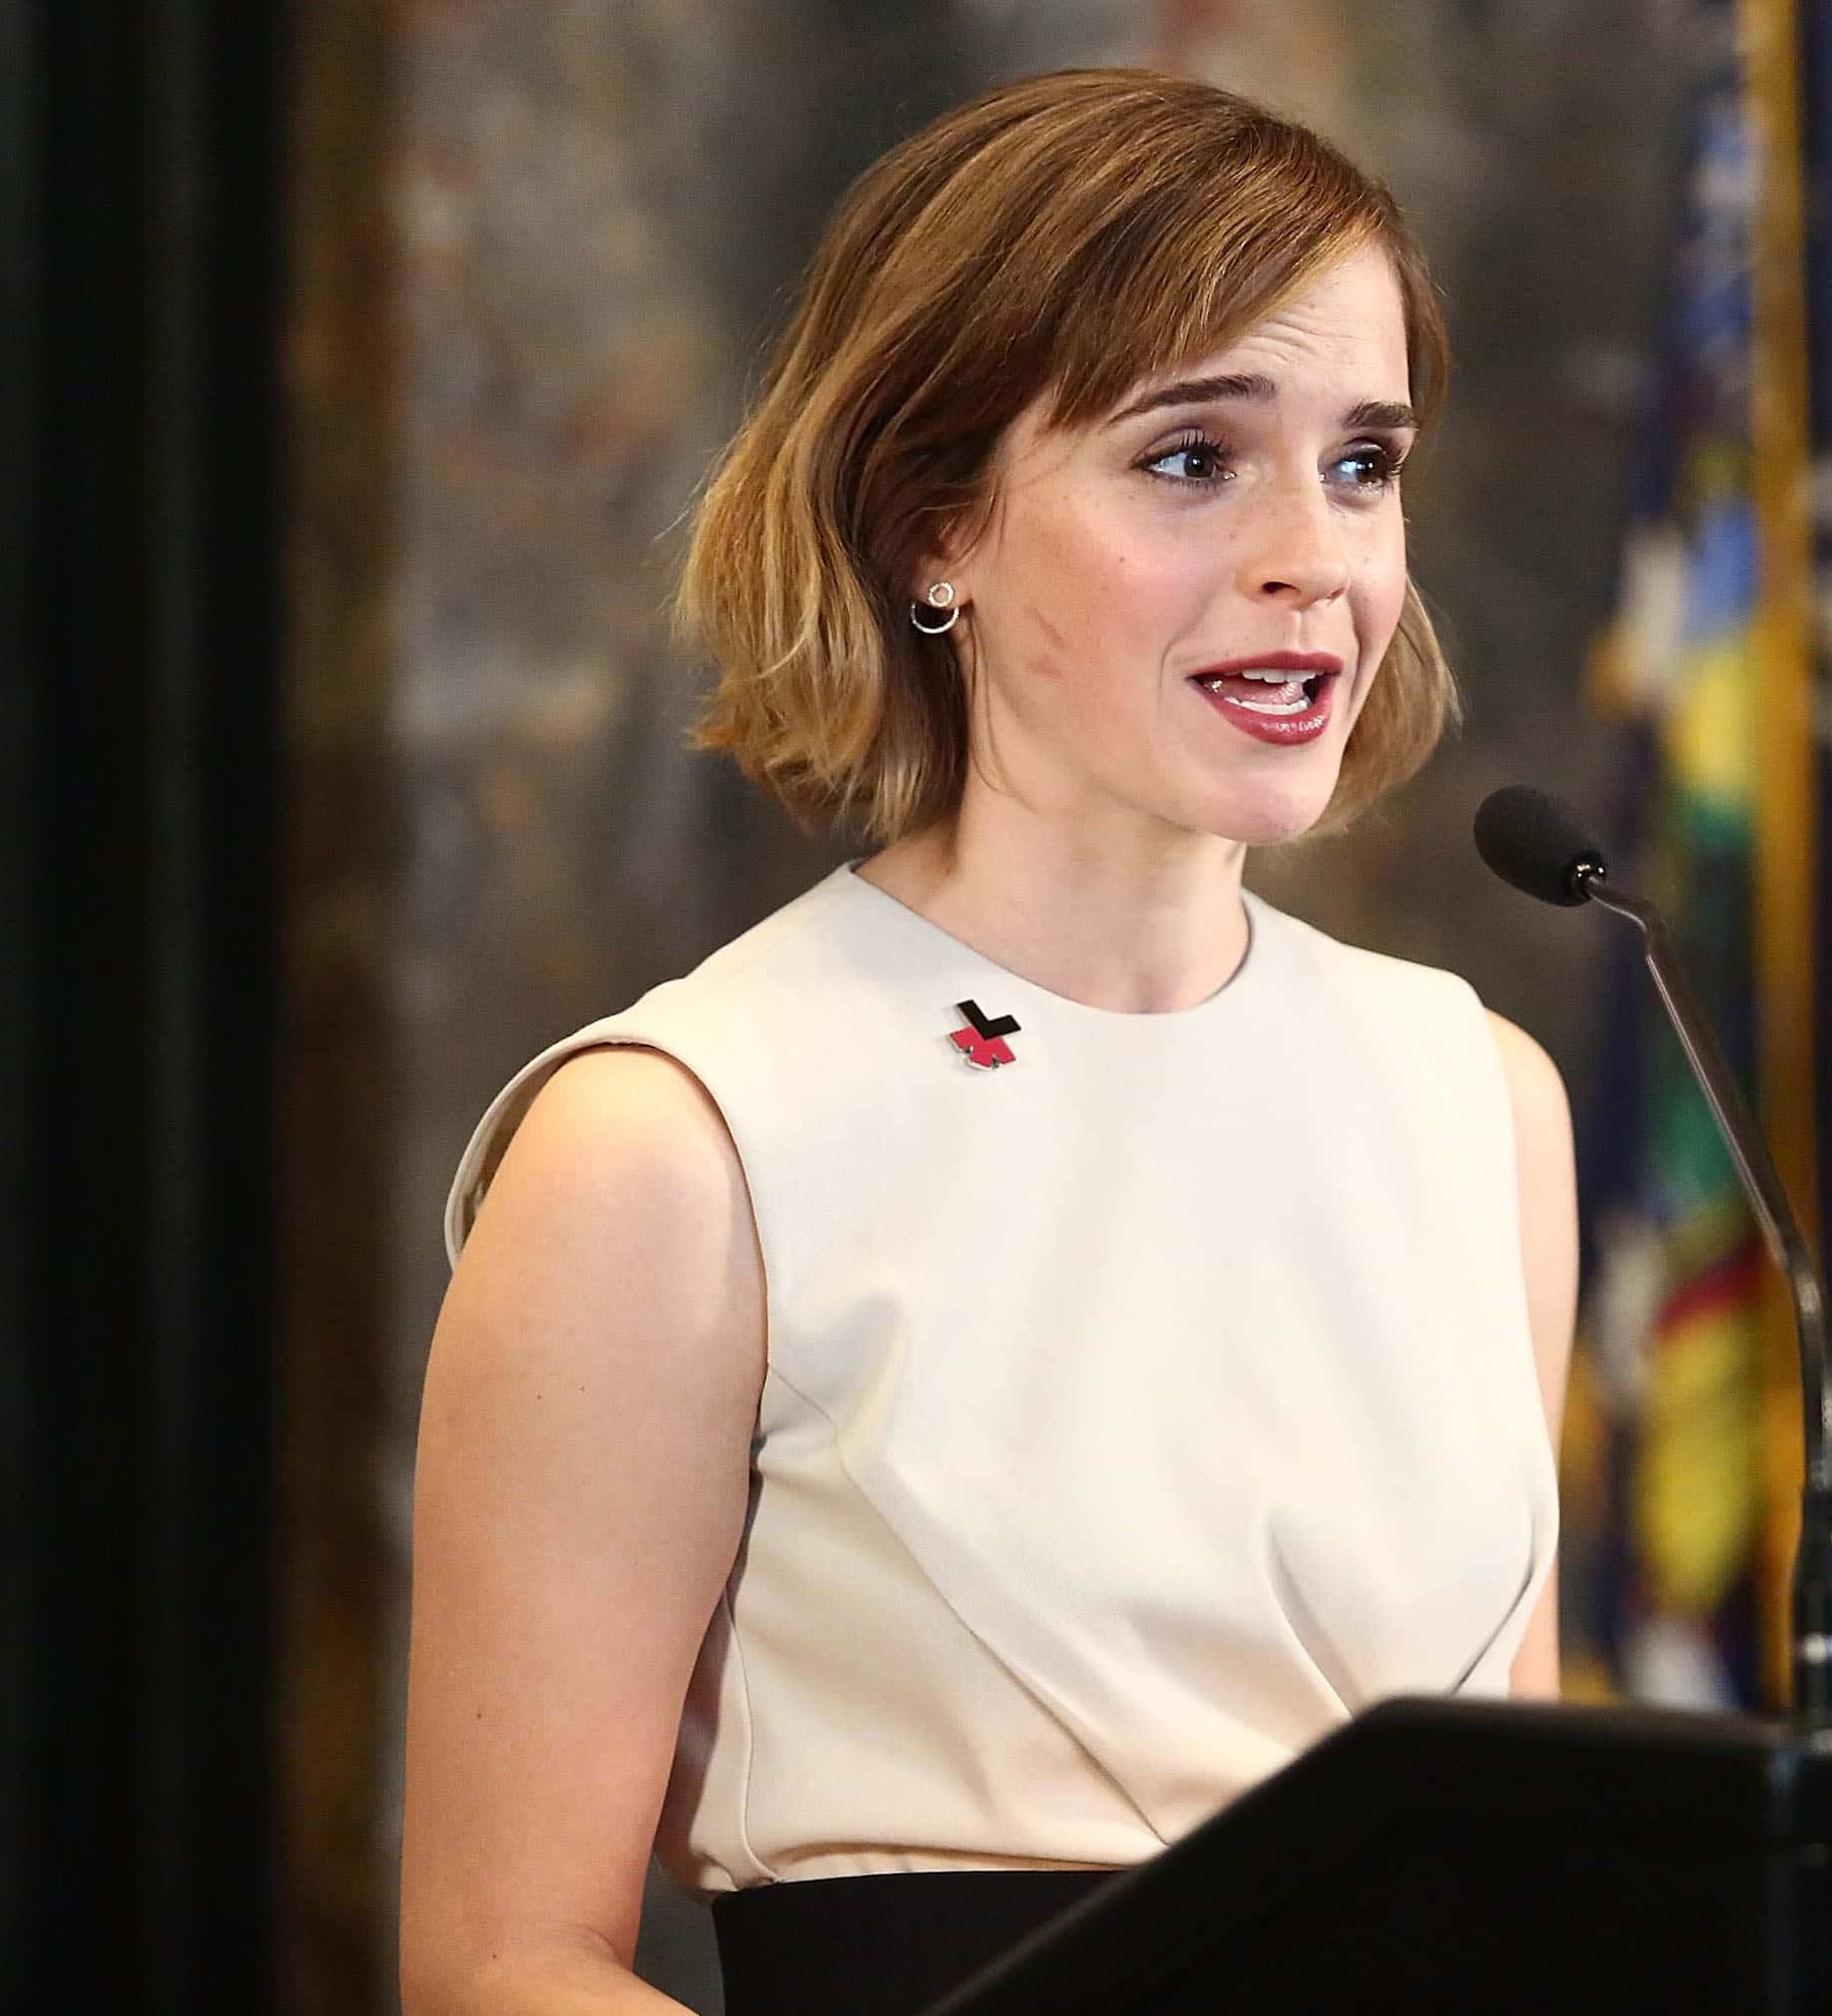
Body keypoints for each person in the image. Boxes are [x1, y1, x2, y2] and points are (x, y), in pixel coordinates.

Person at [399, 69, 1574, 2016]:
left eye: (1363, 463)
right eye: (1193, 459)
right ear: (936, 526)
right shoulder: (675, 1142)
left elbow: (1520, 1857)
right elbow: (496, 1967)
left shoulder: (1475, 1099)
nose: (1318, 558)